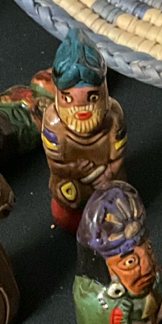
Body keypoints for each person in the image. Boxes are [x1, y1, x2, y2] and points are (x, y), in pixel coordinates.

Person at [73, 182, 162, 324]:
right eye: (130, 262)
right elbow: (100, 322)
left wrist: (158, 313)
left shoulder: (154, 277)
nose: (147, 266)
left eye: (148, 250)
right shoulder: (92, 295)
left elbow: (159, 296)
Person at [41, 27, 127, 231]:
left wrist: (109, 172)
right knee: (68, 197)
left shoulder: (113, 118)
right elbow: (55, 164)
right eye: (68, 99)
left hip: (106, 178)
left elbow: (117, 157)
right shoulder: (53, 123)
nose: (81, 110)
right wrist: (72, 170)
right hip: (71, 181)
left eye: (93, 97)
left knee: (116, 197)